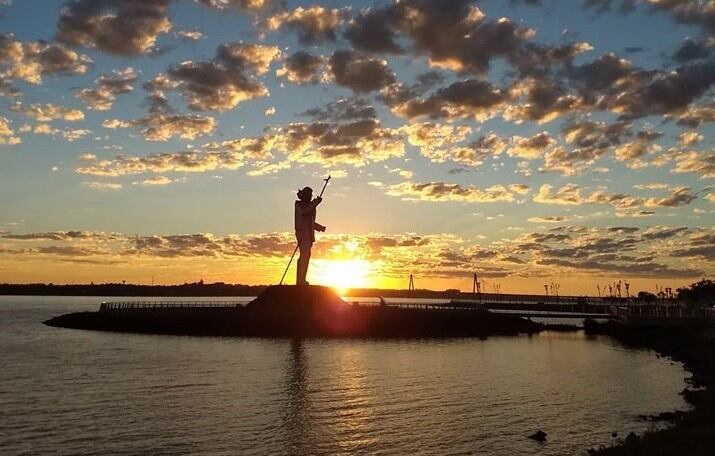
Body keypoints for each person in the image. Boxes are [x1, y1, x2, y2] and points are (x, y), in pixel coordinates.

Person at [294, 186, 326, 286]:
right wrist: (316, 203)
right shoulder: (299, 204)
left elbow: (310, 222)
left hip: (308, 233)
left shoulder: (310, 207)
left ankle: (301, 279)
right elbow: (304, 212)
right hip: (302, 233)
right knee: (304, 255)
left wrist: (320, 227)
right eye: (310, 195)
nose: (311, 196)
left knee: (306, 256)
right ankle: (300, 280)